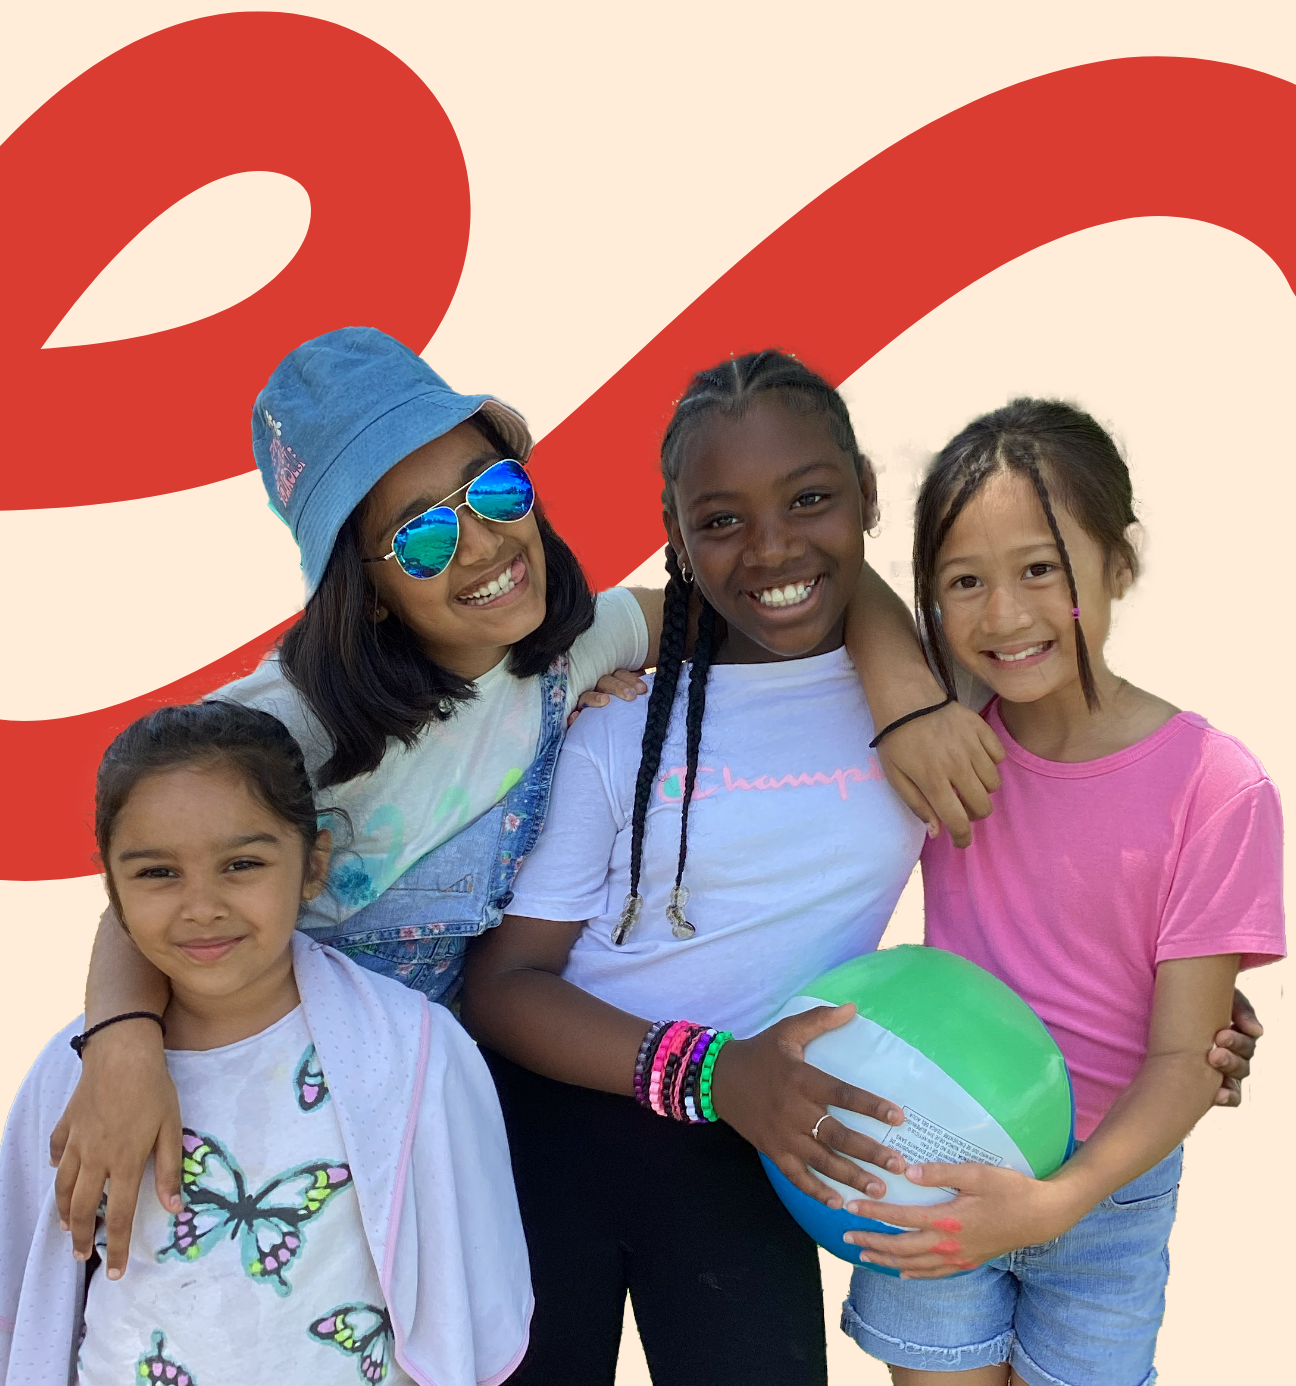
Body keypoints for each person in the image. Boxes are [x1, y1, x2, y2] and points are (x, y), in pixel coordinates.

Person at [49, 328, 1007, 1281]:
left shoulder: (577, 646)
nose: (480, 545)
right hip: (220, 1107)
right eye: (421, 535)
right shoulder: (290, 725)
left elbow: (777, 580)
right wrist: (122, 1047)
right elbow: (148, 888)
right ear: (366, 588)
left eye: (494, 491)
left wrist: (909, 700)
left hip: (411, 1126)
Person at [463, 349, 994, 1386]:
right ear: (675, 535)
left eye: (810, 499)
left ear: (866, 496)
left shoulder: (939, 698)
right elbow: (504, 983)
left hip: (754, 1141)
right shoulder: (624, 720)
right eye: (720, 521)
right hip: (561, 1121)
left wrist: (1171, 1000)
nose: (772, 547)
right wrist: (713, 1073)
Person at [839, 399, 1286, 1386]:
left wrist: (1058, 1201)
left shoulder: (1218, 788)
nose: (1004, 615)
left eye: (1042, 568)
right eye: (964, 583)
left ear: (1118, 566)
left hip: (1108, 1194)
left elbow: (1186, 1055)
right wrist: (910, 703)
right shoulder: (948, 741)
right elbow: (844, 585)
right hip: (936, 1150)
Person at [0, 701, 530, 1385]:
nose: (201, 905)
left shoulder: (412, 1052)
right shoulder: (75, 1074)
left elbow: (473, 1291)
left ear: (313, 867)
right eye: (158, 873)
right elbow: (29, 1280)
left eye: (242, 864)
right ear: (112, 885)